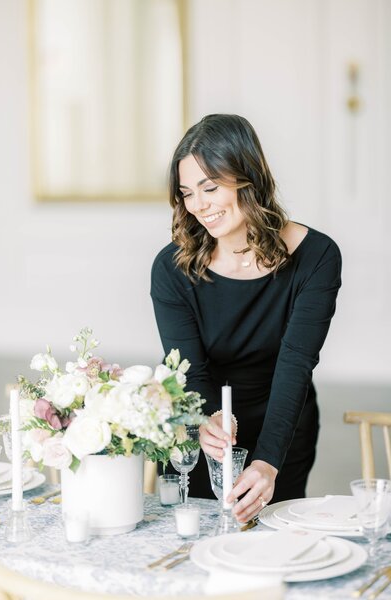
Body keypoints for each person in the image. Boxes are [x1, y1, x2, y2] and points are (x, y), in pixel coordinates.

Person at [150, 114, 342, 523]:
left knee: (271, 553)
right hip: (206, 432)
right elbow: (191, 370)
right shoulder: (171, 268)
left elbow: (295, 364)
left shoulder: (317, 257)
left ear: (247, 177)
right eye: (187, 192)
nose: (198, 205)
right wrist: (209, 419)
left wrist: (269, 460)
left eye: (210, 187)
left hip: (283, 424)